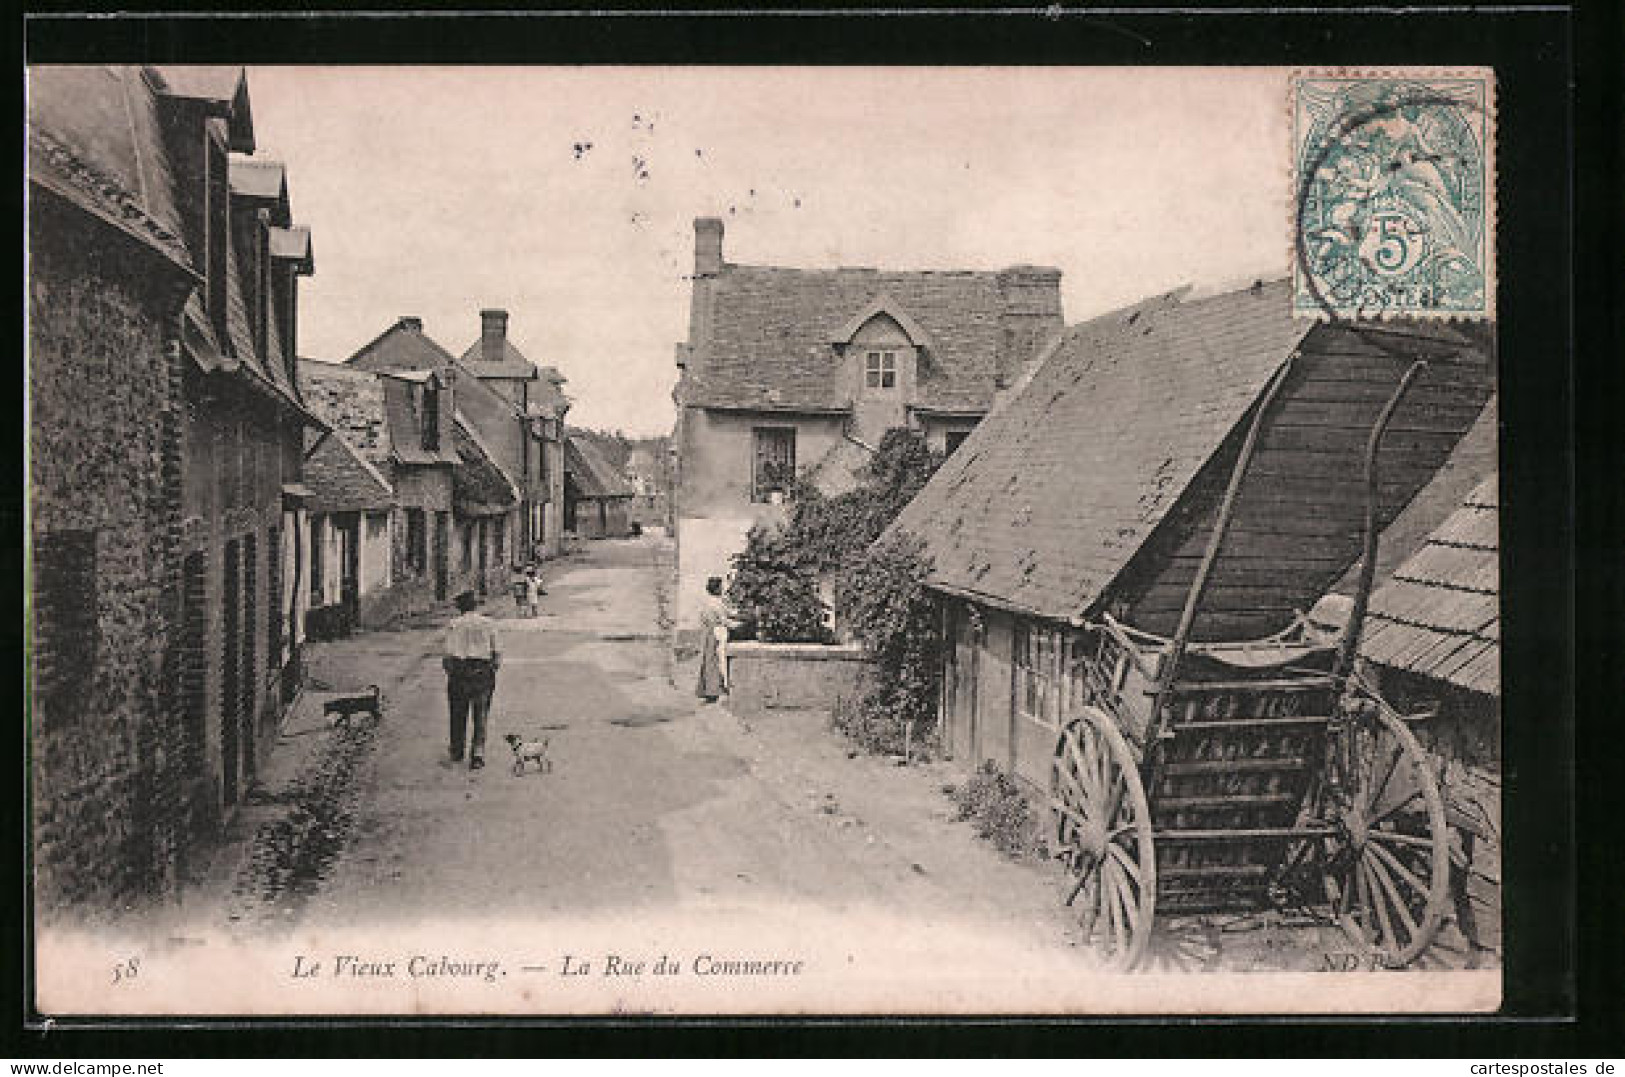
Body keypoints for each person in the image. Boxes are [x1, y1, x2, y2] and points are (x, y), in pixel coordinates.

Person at [443, 590, 500, 769]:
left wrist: (453, 674)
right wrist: (490, 670)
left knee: (457, 713)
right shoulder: (489, 623)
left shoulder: (454, 625)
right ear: (475, 606)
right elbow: (496, 654)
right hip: (482, 672)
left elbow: (448, 656)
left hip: (460, 672)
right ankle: (477, 754)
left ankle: (457, 751)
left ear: (460, 607)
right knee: (481, 714)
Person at [696, 576, 729, 702]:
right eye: (721, 587)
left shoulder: (708, 601)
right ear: (716, 588)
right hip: (718, 631)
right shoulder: (716, 603)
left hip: (709, 632)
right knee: (719, 660)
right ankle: (717, 690)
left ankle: (710, 690)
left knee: (709, 660)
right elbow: (723, 619)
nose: (723, 589)